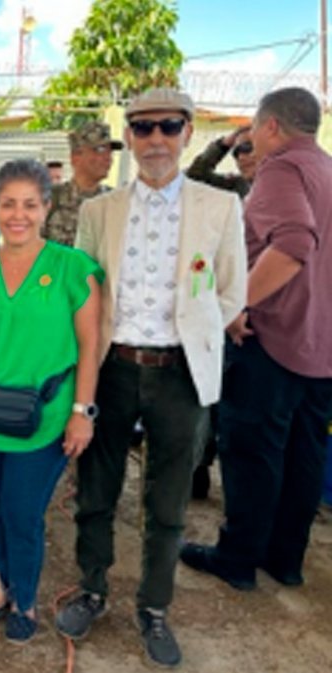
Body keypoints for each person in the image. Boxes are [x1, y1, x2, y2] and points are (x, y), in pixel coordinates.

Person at [55, 88, 247, 669]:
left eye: (168, 127)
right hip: (111, 367)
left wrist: (197, 331)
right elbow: (81, 292)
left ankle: (154, 606)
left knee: (167, 499)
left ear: (188, 132)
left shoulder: (220, 207)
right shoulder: (99, 211)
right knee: (96, 489)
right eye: (142, 128)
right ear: (129, 138)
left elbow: (231, 289)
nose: (156, 139)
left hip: (180, 373)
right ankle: (92, 588)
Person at [180, 87, 332, 592]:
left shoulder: (282, 170)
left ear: (270, 127)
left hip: (275, 338)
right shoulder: (326, 168)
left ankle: (238, 557)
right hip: (320, 343)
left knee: (252, 450)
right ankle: (285, 559)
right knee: (302, 454)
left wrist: (238, 304)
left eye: (254, 132)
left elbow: (292, 246)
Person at [0, 159, 102, 642]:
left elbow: (90, 347)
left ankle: (27, 601)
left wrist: (82, 412)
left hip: (44, 417)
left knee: (22, 510)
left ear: (46, 207)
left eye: (30, 204)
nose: (18, 215)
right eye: (8, 204)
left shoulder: (72, 268)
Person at [185, 126, 258, 499]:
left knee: (243, 405)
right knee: (210, 394)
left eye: (250, 148)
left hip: (258, 309)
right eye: (239, 151)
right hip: (223, 306)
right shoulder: (231, 188)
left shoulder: (280, 189)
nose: (244, 155)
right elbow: (194, 176)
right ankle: (200, 467)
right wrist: (223, 143)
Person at [43, 121, 122, 247]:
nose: (108, 158)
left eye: (110, 151)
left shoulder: (117, 202)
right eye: (99, 150)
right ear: (75, 157)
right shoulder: (50, 199)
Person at [185, 126, 255, 199]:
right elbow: (195, 176)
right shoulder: (239, 185)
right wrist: (223, 145)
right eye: (236, 153)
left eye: (247, 148)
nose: (241, 158)